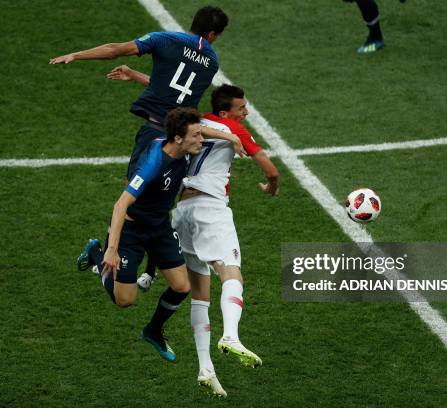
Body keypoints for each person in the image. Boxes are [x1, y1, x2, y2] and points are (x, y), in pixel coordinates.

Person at [110, 68, 279, 396]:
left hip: (182, 210)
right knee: (231, 274)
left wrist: (134, 75)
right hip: (210, 210)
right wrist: (272, 184)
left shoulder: (194, 121)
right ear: (226, 111)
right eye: (242, 108)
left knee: (198, 292)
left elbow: (163, 89)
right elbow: (269, 167)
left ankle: (205, 369)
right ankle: (230, 335)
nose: (246, 113)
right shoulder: (234, 129)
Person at [76, 107, 203, 363]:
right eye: (197, 135)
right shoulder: (154, 163)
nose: (202, 140)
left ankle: (153, 330)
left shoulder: (184, 148)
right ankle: (96, 253)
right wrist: (112, 250)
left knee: (182, 286)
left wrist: (234, 139)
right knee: (125, 300)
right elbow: (120, 205)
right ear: (178, 138)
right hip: (131, 232)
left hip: (159, 227)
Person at [49, 6, 235, 176]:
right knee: (161, 202)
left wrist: (76, 55)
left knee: (133, 193)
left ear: (194, 22)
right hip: (181, 142)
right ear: (211, 34)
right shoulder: (212, 63)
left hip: (154, 134)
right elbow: (173, 89)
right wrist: (133, 74)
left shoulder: (165, 39)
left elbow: (114, 50)